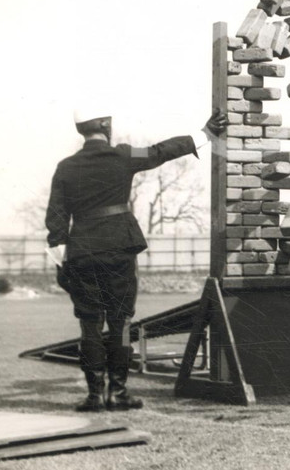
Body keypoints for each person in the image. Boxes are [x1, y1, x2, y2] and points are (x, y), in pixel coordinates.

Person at [46, 105, 226, 412]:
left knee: (89, 325)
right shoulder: (122, 157)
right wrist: (204, 134)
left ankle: (94, 396)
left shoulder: (65, 168)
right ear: (104, 125)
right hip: (119, 249)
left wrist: (62, 262)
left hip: (82, 253)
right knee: (120, 324)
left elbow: (56, 219)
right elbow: (160, 152)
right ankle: (118, 393)